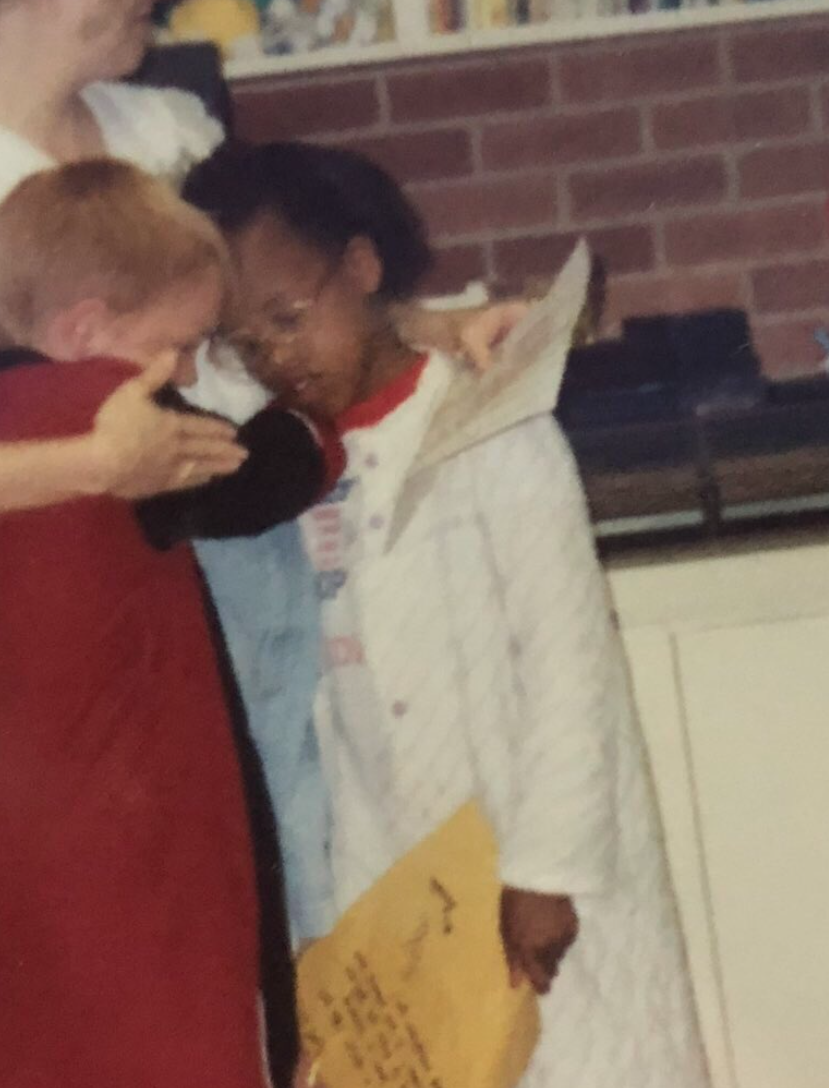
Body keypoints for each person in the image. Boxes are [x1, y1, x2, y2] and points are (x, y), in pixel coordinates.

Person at [0, 0, 525, 1082]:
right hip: (85, 699)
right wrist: (97, 462)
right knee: (136, 1013)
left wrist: (432, 326)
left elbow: (254, 328)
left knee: (297, 968)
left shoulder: (157, 129)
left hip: (250, 620)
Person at [183, 140, 712, 1088]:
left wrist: (545, 867)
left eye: (291, 319)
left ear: (362, 266)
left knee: (585, 1058)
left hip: (530, 852)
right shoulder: (290, 462)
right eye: (247, 343)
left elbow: (567, 651)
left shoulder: (491, 422)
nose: (277, 358)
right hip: (389, 867)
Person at [0, 158, 342, 1088]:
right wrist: (313, 422)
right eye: (178, 347)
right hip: (139, 844)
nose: (186, 374)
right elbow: (255, 482)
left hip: (9, 848)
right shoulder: (103, 415)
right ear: (86, 329)